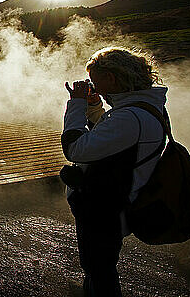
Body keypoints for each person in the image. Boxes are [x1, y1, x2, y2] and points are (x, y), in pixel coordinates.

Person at [61, 47, 167, 296]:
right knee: (98, 266)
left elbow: (75, 148)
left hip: (105, 209)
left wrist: (76, 104)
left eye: (97, 83)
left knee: (99, 268)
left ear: (111, 78)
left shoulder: (130, 117)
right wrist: (94, 106)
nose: (95, 88)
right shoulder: (141, 108)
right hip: (113, 201)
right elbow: (108, 136)